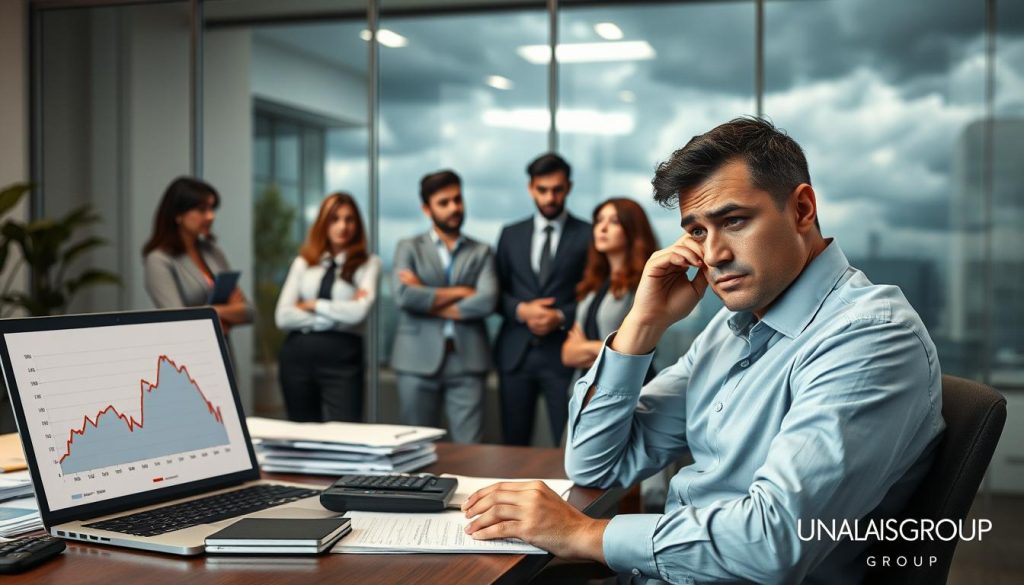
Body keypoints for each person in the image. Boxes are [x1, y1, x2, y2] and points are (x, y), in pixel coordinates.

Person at [462, 117, 945, 584]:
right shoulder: (730, 329)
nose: (713, 255)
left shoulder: (868, 336)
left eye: (733, 221)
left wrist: (584, 534)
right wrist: (642, 324)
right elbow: (594, 463)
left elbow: (773, 541)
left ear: (802, 210)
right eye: (696, 232)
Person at [391, 170, 498, 443]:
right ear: (427, 209)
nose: (454, 208)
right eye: (444, 202)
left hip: (467, 360)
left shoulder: (482, 251)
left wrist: (426, 295)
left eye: (457, 199)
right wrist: (461, 292)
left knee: (470, 448)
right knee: (416, 447)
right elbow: (403, 296)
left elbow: (487, 300)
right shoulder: (408, 247)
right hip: (415, 360)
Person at [494, 153, 591, 446]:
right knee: (513, 444)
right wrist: (521, 310)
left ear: (569, 187)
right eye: (543, 190)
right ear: (531, 188)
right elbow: (496, 293)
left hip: (563, 356)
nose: (550, 198)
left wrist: (560, 316)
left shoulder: (587, 235)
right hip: (515, 355)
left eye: (557, 190)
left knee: (568, 443)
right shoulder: (510, 234)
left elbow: (593, 295)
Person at [274, 192, 380, 422]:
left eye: (349, 219)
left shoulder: (368, 264)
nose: (343, 226)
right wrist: (339, 313)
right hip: (297, 356)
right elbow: (283, 317)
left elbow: (359, 313)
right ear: (323, 223)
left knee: (346, 432)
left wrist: (313, 305)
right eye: (334, 219)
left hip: (344, 358)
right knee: (301, 434)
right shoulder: (304, 262)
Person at [561, 197, 658, 384]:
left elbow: (631, 353)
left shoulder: (644, 284)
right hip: (584, 388)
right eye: (599, 221)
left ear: (632, 229)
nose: (602, 228)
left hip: (629, 388)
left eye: (614, 221)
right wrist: (605, 350)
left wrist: (585, 347)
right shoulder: (592, 284)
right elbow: (567, 355)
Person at [142, 176, 253, 333]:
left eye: (212, 208)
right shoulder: (159, 260)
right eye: (202, 210)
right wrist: (226, 312)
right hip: (189, 347)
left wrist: (214, 311)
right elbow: (179, 320)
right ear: (178, 214)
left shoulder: (213, 252)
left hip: (223, 346)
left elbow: (249, 311)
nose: (211, 216)